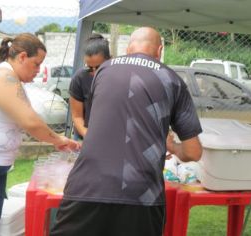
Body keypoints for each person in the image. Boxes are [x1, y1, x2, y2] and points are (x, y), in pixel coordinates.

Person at [51, 27, 203, 236]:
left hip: (86, 187)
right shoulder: (173, 80)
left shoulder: (103, 71)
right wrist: (172, 146)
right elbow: (193, 152)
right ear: (159, 51)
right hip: (141, 194)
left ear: (127, 48)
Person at [0, 33, 80, 235]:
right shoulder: (3, 76)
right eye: (36, 64)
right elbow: (29, 121)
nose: (38, 71)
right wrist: (59, 140)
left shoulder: (14, 80)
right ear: (21, 57)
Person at [69, 33, 110, 140]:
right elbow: (77, 116)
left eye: (99, 67)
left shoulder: (118, 77)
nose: (94, 72)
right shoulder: (79, 78)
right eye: (89, 67)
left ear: (110, 59)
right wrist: (88, 136)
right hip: (85, 135)